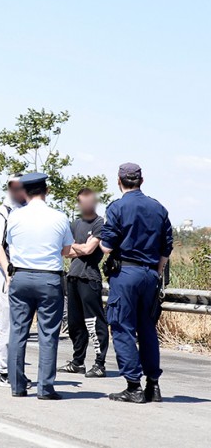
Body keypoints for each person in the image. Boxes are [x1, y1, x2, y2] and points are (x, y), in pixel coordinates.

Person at [100, 163, 172, 403]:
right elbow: (166, 247)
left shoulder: (117, 207)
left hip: (126, 274)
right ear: (141, 181)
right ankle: (153, 384)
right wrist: (156, 273)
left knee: (122, 327)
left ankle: (133, 386)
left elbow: (107, 246)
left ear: (119, 181)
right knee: (148, 329)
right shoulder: (158, 208)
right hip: (150, 275)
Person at [5, 173, 74, 400]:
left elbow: (10, 243)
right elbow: (66, 249)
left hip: (21, 277)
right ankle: (45, 388)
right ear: (47, 191)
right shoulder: (59, 217)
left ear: (24, 192)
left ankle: (17, 386)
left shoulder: (14, 216)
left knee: (17, 331)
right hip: (49, 279)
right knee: (48, 334)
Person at [58, 188, 109, 378]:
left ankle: (99, 363)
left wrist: (77, 247)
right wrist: (80, 247)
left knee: (94, 322)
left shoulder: (99, 223)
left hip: (90, 278)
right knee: (74, 323)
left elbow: (89, 250)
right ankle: (78, 362)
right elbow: (65, 251)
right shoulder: (75, 224)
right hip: (73, 276)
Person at [0, 173, 26, 386]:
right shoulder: (3, 212)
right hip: (9, 273)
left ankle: (17, 370)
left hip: (28, 272)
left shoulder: (28, 210)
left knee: (21, 326)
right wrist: (6, 271)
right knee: (8, 324)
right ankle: (4, 370)